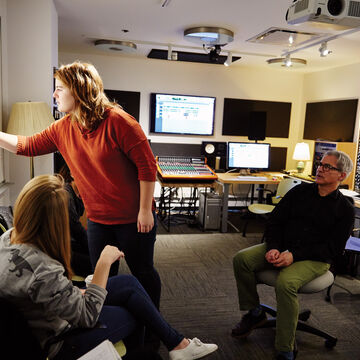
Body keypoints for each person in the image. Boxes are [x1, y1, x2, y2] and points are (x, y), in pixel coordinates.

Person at [0, 175, 218, 360]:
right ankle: (148, 352)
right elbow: (87, 316)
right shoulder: (43, 270)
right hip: (60, 342)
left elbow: (42, 294)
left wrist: (76, 291)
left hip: (52, 314)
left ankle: (178, 344)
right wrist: (104, 263)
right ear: (56, 222)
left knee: (129, 283)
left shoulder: (7, 238)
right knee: (136, 311)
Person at [0, 61, 161, 311]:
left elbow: (147, 167)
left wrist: (144, 210)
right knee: (104, 277)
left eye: (60, 88)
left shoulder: (119, 122)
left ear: (79, 90)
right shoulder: (62, 127)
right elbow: (27, 145)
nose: (54, 94)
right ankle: (111, 321)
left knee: (143, 272)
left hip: (133, 216)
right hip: (98, 219)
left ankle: (152, 331)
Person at [231, 150, 355, 360]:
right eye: (320, 164)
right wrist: (273, 247)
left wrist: (293, 255)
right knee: (242, 259)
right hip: (282, 247)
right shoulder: (300, 192)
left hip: (315, 260)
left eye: (327, 167)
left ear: (341, 176)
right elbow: (275, 221)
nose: (320, 169)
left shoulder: (345, 209)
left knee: (286, 282)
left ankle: (285, 348)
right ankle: (255, 313)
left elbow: (332, 248)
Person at [59, 162, 92, 277]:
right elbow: (76, 229)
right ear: (72, 173)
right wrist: (94, 248)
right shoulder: (65, 194)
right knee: (95, 261)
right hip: (56, 249)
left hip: (66, 243)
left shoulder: (78, 194)